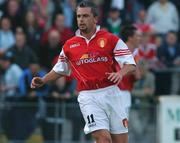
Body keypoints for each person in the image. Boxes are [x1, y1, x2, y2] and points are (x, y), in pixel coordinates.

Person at [31, 1, 136, 143]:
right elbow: (59, 69)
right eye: (79, 16)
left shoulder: (110, 39)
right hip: (88, 96)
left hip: (112, 93)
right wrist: (43, 80)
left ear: (95, 18)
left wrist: (120, 74)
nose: (81, 19)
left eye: (85, 16)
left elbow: (130, 64)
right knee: (103, 139)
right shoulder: (69, 45)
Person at [117, 25, 142, 117]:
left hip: (125, 92)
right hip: (118, 92)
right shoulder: (119, 52)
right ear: (130, 38)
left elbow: (137, 76)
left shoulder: (134, 54)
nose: (140, 39)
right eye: (138, 36)